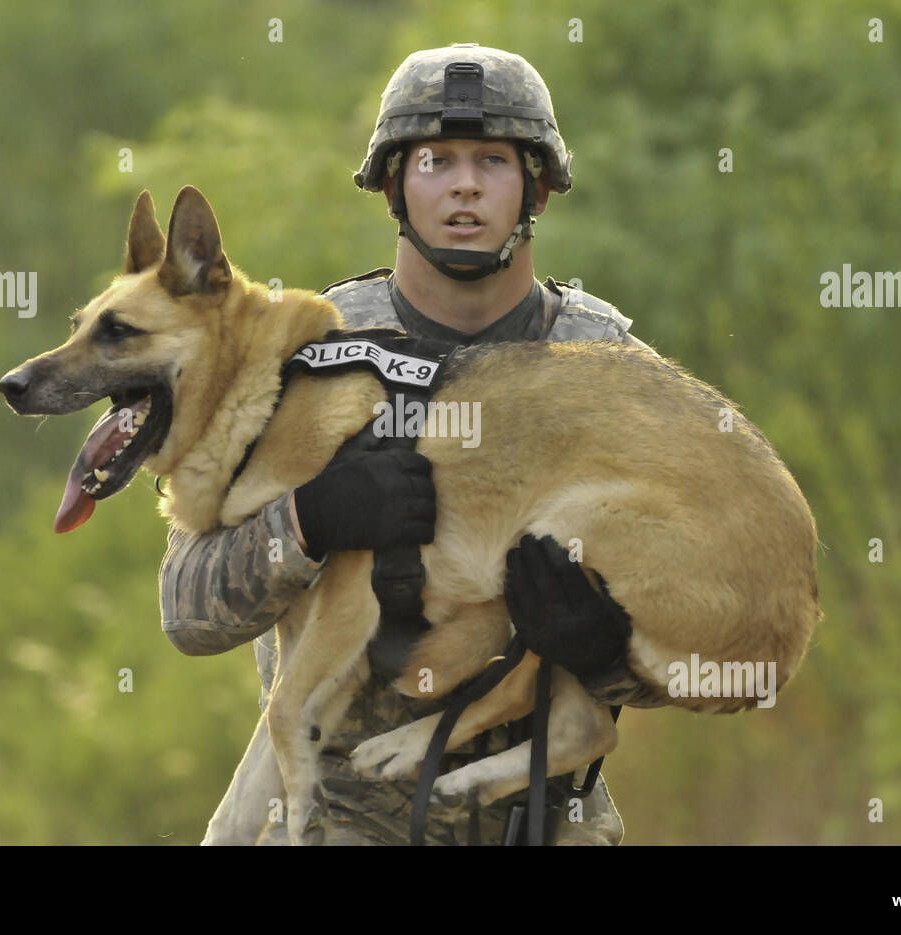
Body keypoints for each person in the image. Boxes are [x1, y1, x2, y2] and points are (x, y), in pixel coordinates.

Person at [160, 43, 663, 845]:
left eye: (492, 160)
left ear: (533, 187)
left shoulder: (605, 364)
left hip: (544, 814)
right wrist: (307, 521)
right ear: (395, 185)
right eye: (435, 159)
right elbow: (186, 608)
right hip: (333, 816)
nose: (464, 183)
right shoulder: (306, 351)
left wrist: (608, 649)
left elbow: (708, 641)